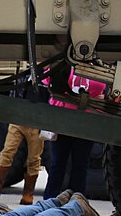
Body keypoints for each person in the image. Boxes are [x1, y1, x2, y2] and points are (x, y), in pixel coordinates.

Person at [43, 69, 106, 200]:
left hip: (83, 123)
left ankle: (74, 200)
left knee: (78, 164)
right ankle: (53, 198)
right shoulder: (67, 65)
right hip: (64, 121)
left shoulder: (96, 69)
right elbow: (48, 80)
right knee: (59, 163)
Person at [0, 123, 44, 205]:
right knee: (7, 151)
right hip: (18, 122)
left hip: (37, 125)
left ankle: (28, 193)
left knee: (33, 159)